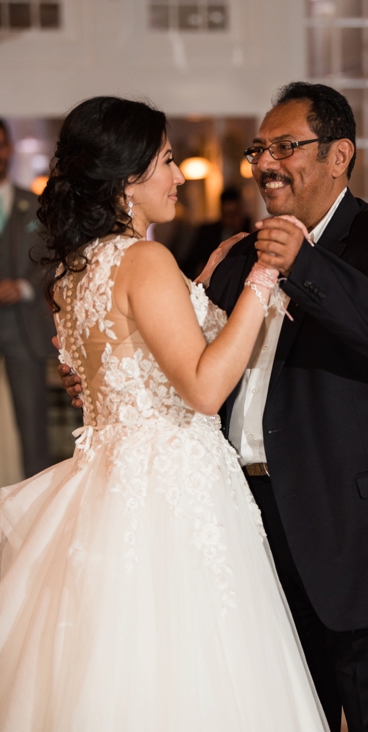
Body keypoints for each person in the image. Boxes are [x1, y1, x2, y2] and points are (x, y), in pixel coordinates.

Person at [1, 96, 327, 730]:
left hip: (110, 488)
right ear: (128, 177)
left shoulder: (76, 269)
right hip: (173, 491)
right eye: (169, 161)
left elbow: (135, 349)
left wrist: (198, 286)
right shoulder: (143, 260)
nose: (181, 176)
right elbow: (203, 389)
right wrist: (262, 277)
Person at [199, 83, 368, 731]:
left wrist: (306, 266)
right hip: (259, 532)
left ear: (338, 155)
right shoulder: (239, 256)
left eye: (286, 147)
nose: (266, 164)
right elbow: (198, 367)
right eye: (258, 150)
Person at [0, 117, 56, 477]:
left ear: (9, 149)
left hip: (23, 330)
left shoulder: (34, 205)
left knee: (32, 424)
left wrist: (22, 287)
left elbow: (52, 258)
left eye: (1, 145)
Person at [180, 186, 252, 278]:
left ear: (241, 211)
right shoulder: (207, 232)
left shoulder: (250, 231)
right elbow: (189, 264)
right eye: (227, 215)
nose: (231, 219)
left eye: (234, 214)